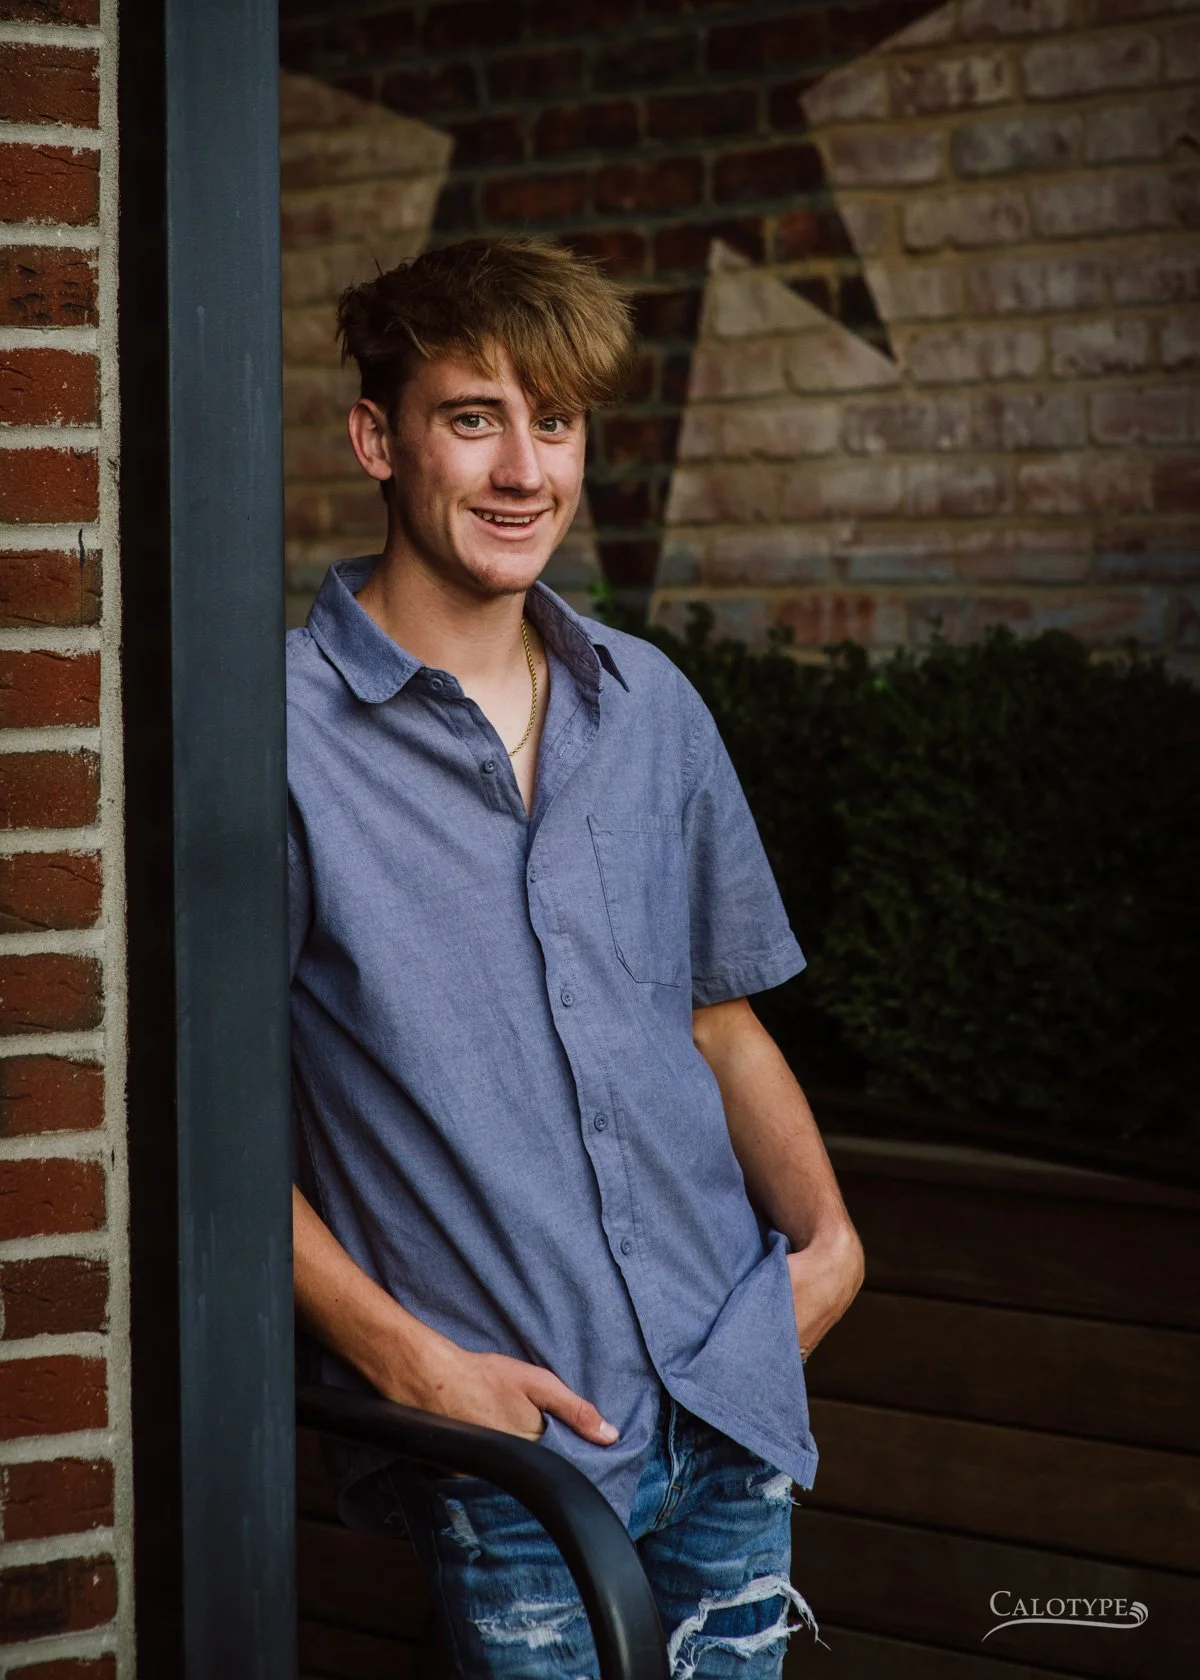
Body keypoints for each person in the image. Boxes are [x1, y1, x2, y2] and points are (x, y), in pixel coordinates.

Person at [287, 236, 864, 1679]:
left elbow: (718, 1024)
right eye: (472, 417)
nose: (523, 470)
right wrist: (414, 1370)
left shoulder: (649, 705)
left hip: (726, 1408)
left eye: (556, 422)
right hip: (515, 1453)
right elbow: (198, 1130)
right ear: (377, 438)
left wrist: (831, 1245)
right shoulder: (268, 736)